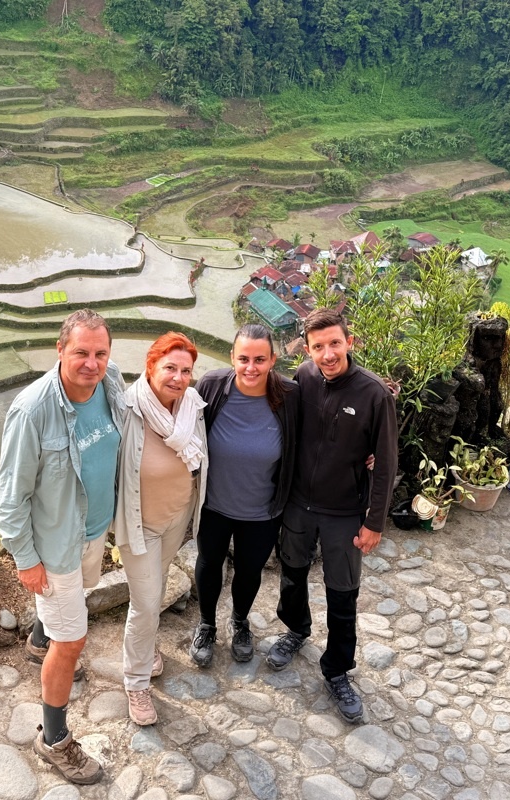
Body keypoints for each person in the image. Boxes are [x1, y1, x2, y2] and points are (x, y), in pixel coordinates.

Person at [0, 309, 124, 785]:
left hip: (92, 531)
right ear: (60, 350)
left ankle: (37, 640)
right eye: (81, 353)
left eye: (100, 353)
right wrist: (26, 561)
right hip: (55, 547)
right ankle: (53, 740)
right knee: (72, 641)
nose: (91, 363)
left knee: (61, 625)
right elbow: (11, 495)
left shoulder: (112, 383)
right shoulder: (33, 411)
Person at [266, 307, 398, 724]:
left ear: (349, 342)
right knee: (292, 571)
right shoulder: (303, 378)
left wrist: (374, 521)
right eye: (318, 347)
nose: (327, 354)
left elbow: (388, 462)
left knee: (344, 592)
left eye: (334, 344)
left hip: (345, 511)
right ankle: (296, 628)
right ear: (307, 349)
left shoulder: (373, 394)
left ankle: (337, 669)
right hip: (299, 503)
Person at [189, 323, 300, 667]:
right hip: (214, 505)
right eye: (244, 358)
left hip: (263, 510)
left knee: (250, 571)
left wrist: (366, 452)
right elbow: (183, 425)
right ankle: (207, 623)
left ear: (273, 360)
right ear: (232, 357)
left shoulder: (291, 396)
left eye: (259, 359)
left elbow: (319, 434)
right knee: (209, 564)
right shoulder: (212, 386)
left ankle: (239, 622)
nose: (251, 367)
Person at [113, 332, 208, 726]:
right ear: (150, 366)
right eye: (170, 367)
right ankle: (135, 682)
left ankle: (148, 647)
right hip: (140, 525)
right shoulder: (126, 409)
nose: (178, 377)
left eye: (186, 370)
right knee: (147, 602)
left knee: (161, 582)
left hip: (177, 517)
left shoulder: (193, 408)